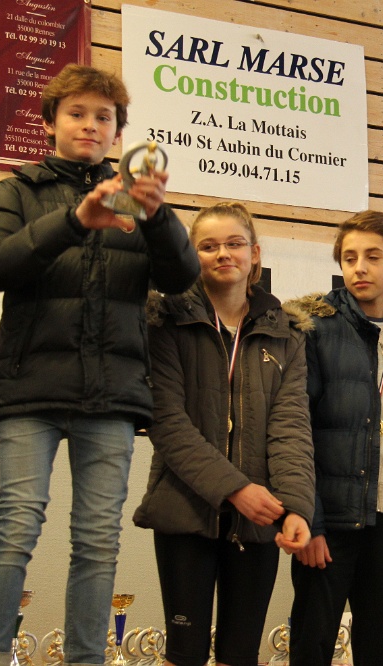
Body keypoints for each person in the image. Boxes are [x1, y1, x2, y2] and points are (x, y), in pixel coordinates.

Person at [0, 64, 199, 666]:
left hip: (112, 393)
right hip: (31, 388)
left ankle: (86, 660)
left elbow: (181, 279)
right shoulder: (16, 190)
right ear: (50, 123)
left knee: (97, 540)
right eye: (76, 113)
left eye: (104, 117)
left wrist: (159, 216)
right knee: (16, 526)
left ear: (118, 133)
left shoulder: (137, 199)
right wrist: (75, 221)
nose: (90, 125)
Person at [132, 202, 315, 666]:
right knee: (185, 654)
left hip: (258, 521)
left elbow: (291, 428)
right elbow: (167, 423)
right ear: (192, 256)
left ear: (255, 253)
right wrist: (235, 489)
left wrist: (296, 506)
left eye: (235, 243)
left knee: (241, 654)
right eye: (208, 246)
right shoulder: (166, 323)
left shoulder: (287, 334)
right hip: (185, 511)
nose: (223, 254)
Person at [288, 210, 383, 666]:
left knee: (378, 648)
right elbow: (297, 433)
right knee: (311, 645)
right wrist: (310, 521)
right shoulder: (314, 327)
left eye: (373, 257)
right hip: (331, 519)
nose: (359, 268)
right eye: (350, 257)